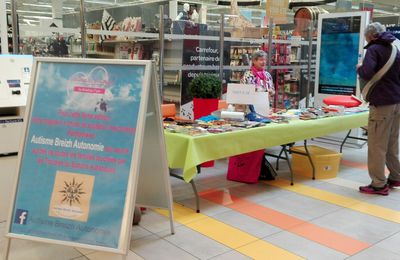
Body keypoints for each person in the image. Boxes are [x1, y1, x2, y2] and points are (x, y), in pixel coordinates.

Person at [357, 22, 400, 195]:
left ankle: (378, 184)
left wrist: (360, 69)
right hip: (397, 102)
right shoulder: (396, 49)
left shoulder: (374, 49)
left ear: (371, 36)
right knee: (392, 142)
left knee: (376, 145)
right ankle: (396, 176)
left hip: (381, 103)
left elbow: (367, 73)